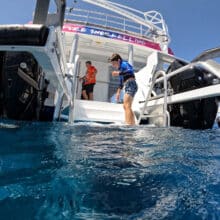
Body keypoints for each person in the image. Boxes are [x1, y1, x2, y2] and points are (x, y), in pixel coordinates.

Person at [109, 53, 138, 125]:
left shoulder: (124, 64)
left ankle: (129, 124)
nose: (113, 65)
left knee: (127, 105)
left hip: (131, 84)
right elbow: (121, 83)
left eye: (114, 63)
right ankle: (131, 123)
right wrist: (118, 93)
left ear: (118, 60)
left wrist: (118, 73)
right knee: (125, 106)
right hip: (128, 85)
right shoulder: (121, 69)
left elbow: (130, 70)